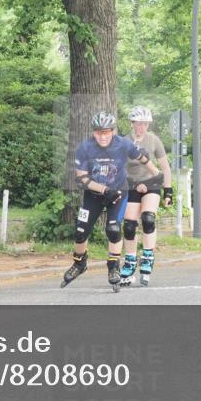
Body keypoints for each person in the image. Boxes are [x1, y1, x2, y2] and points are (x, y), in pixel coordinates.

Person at [62, 111, 160, 291]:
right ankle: (79, 263)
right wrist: (104, 189)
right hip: (94, 194)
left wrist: (157, 176)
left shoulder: (124, 144)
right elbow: (82, 178)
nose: (103, 136)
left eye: (106, 132)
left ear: (113, 131)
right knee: (80, 232)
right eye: (99, 132)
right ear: (93, 132)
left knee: (114, 230)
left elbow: (143, 158)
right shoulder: (85, 147)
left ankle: (113, 267)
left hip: (118, 194)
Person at [119, 106, 173, 287]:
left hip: (152, 184)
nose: (141, 127)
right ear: (132, 123)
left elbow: (164, 167)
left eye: (145, 124)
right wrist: (134, 184)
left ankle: (148, 256)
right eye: (138, 124)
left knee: (148, 219)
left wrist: (168, 190)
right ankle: (130, 260)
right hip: (131, 185)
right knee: (129, 226)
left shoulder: (154, 140)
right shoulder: (124, 141)